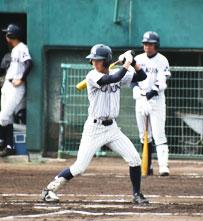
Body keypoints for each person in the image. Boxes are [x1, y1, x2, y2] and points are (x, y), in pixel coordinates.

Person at [40, 44, 149, 204]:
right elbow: (113, 79)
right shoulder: (92, 76)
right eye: (93, 60)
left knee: (134, 159)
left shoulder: (116, 72)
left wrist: (132, 63)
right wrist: (126, 62)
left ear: (107, 61)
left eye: (98, 60)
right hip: (94, 128)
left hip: (112, 129)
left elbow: (142, 77)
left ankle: (137, 194)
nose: (94, 63)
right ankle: (49, 190)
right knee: (79, 168)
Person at [130, 31, 171, 176]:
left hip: (156, 99)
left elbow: (162, 82)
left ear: (156, 45)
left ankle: (163, 166)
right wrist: (136, 90)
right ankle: (147, 166)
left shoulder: (162, 60)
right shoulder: (138, 59)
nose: (147, 47)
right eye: (145, 44)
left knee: (159, 134)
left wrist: (150, 94)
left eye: (150, 44)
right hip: (141, 99)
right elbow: (132, 77)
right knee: (143, 134)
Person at [0, 24, 32, 157]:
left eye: (7, 33)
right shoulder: (14, 49)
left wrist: (22, 79)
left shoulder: (22, 48)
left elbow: (29, 63)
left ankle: (1, 141)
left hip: (16, 86)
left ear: (12, 36)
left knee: (2, 118)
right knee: (8, 118)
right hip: (8, 85)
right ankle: (9, 146)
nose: (6, 35)